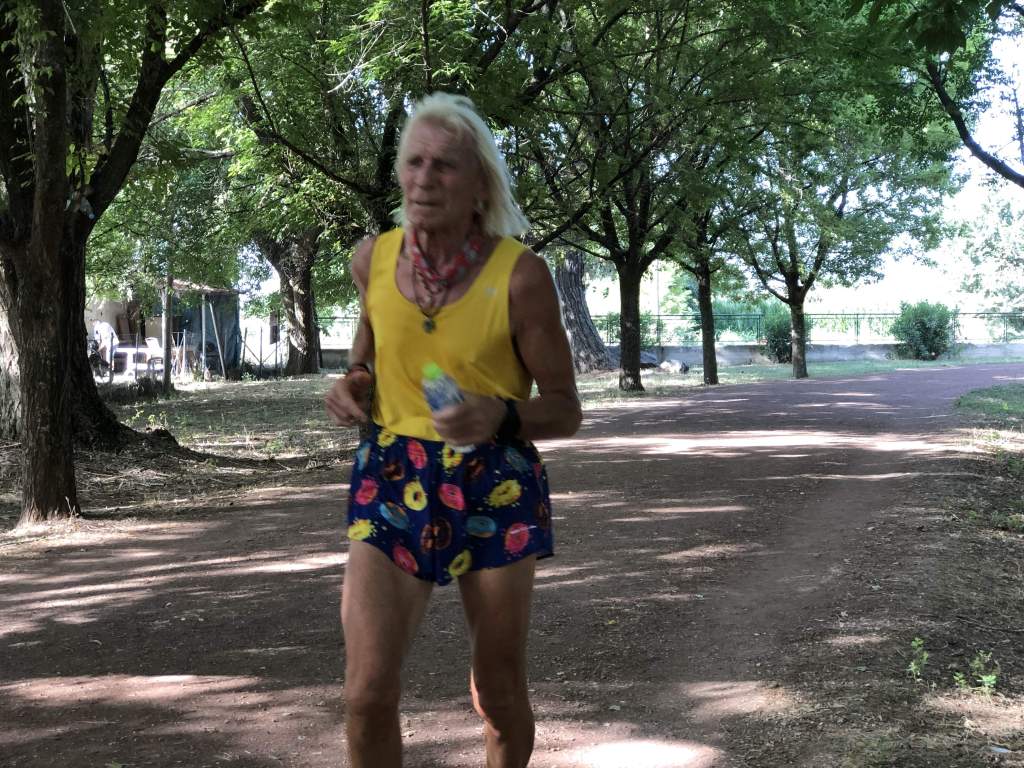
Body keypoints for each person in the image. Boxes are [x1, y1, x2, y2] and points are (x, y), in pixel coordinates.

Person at [325, 92, 582, 768]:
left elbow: (566, 409)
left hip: (494, 480)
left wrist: (499, 413)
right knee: (365, 694)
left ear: (479, 186)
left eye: (443, 166)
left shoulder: (520, 276)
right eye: (414, 163)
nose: (423, 179)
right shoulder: (372, 260)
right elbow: (370, 345)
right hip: (392, 474)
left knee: (496, 692)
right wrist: (355, 379)